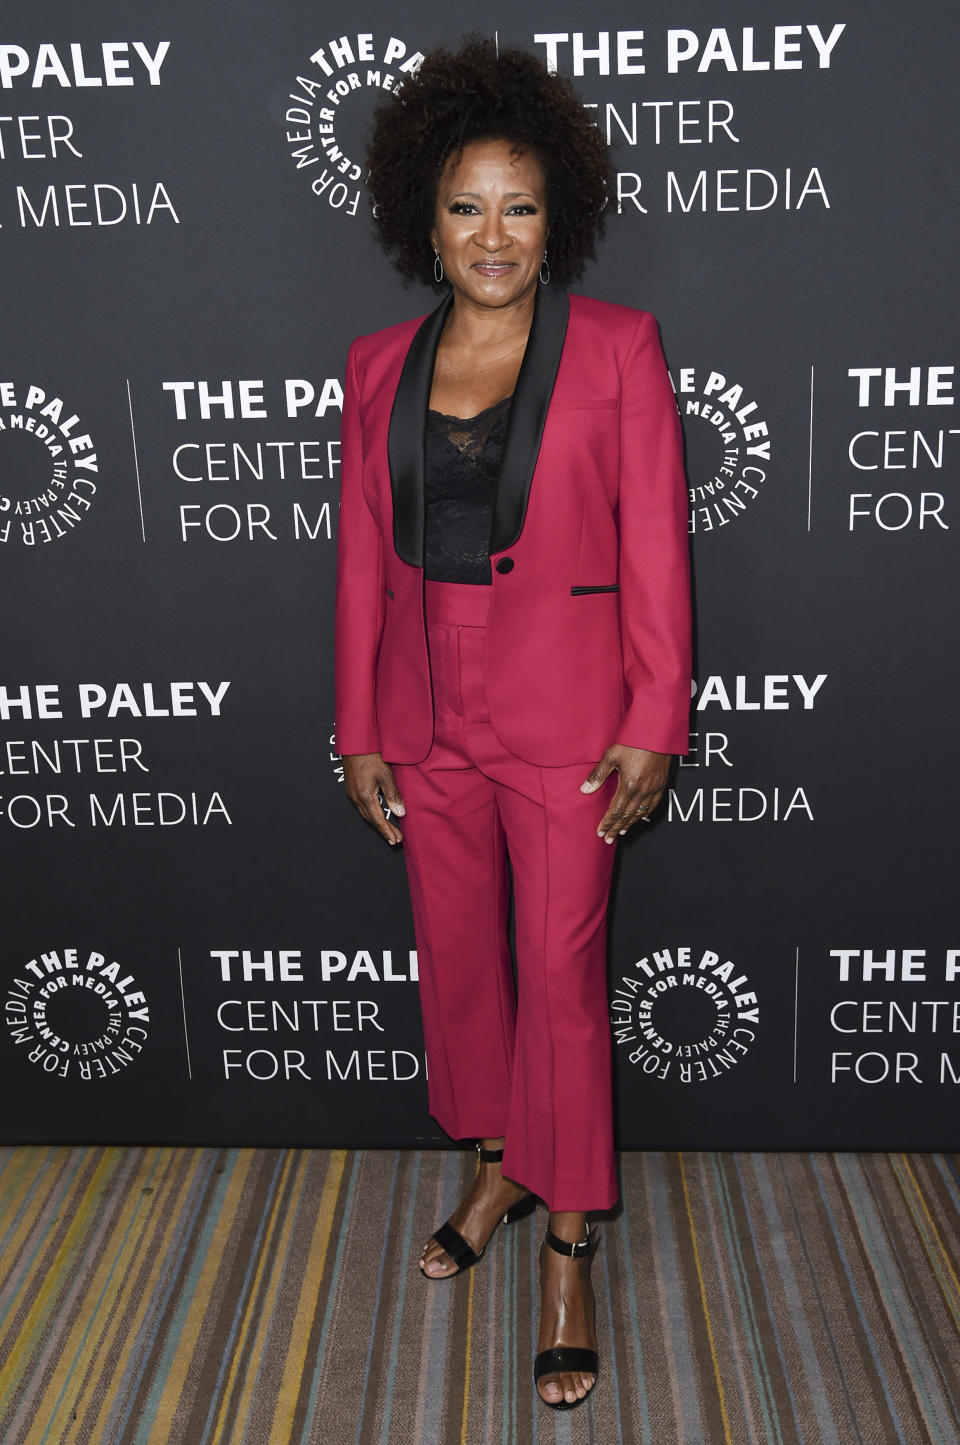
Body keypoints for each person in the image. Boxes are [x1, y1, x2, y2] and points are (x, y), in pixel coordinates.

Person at [335, 37, 691, 1411]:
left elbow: (660, 550)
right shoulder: (376, 362)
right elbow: (363, 555)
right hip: (425, 708)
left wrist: (655, 715)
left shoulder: (617, 350)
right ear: (426, 220)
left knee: (560, 974)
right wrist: (359, 722)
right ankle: (495, 1161)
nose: (494, 235)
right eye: (467, 206)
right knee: (461, 965)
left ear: (562, 219)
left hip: (569, 713)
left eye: (521, 206)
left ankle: (568, 1240)